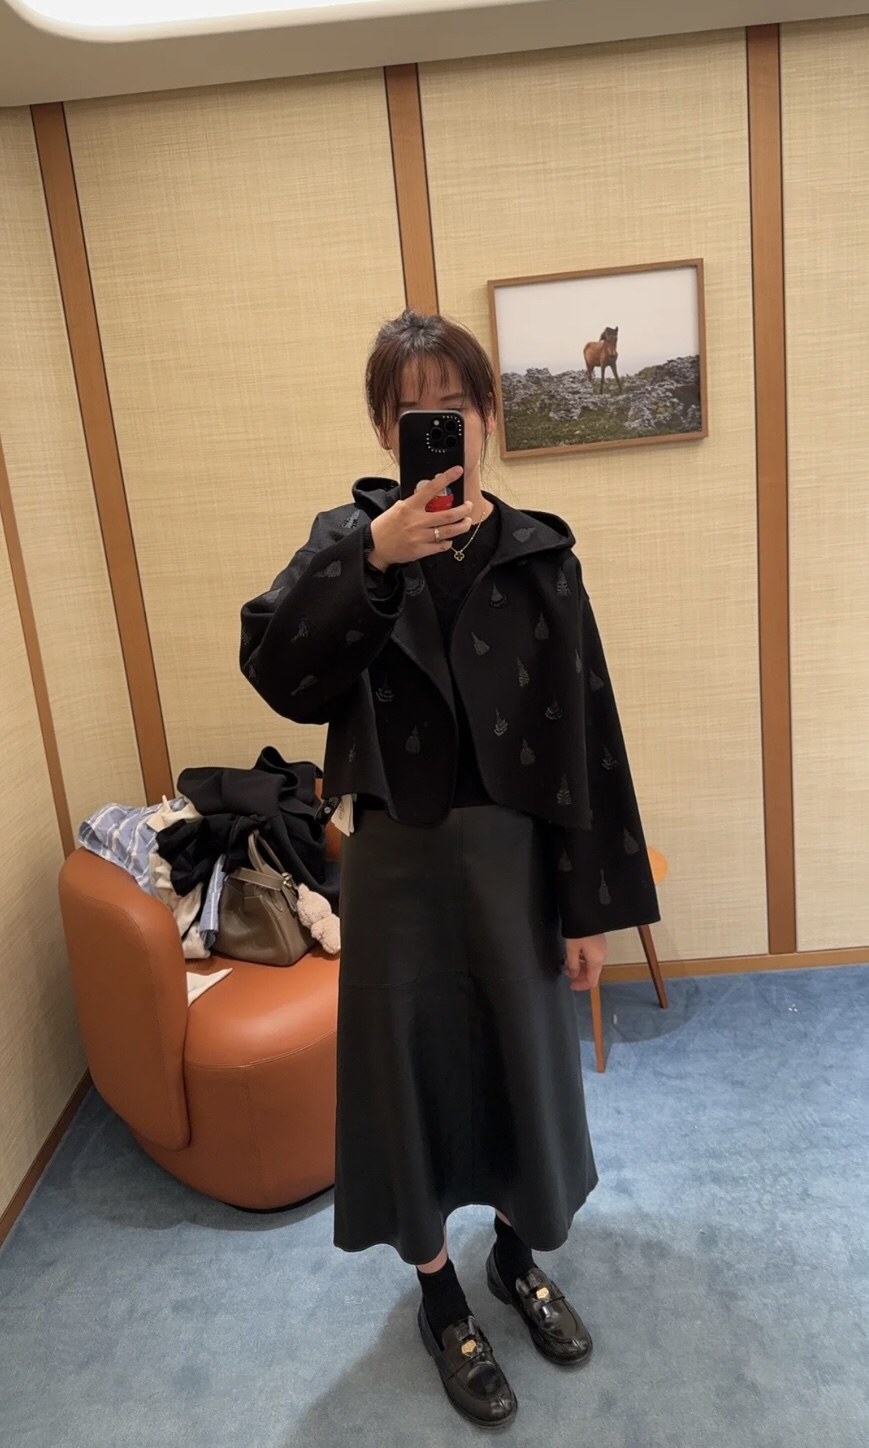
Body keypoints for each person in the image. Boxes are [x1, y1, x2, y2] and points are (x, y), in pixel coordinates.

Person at [240, 309, 659, 1430]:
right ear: (386, 428)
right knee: (407, 1080)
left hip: (516, 862)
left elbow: (588, 738)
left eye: (456, 406)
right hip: (395, 864)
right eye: (411, 410)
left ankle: (515, 1257)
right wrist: (372, 563)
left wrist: (588, 907)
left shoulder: (540, 556)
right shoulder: (346, 542)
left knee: (528, 1069)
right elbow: (279, 673)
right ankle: (439, 1297)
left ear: (487, 418)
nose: (439, 427)